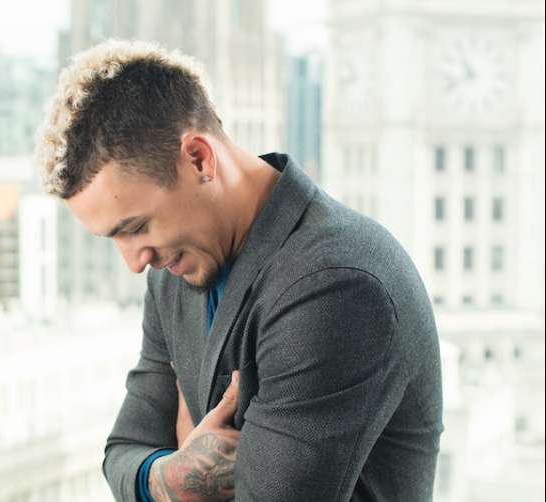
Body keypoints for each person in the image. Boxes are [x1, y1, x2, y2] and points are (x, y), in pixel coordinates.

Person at [36, 40, 443, 502]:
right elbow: (122, 453)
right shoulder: (173, 272)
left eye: (137, 227)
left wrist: (169, 470)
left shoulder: (336, 285)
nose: (134, 261)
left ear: (199, 158)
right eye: (114, 237)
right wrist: (172, 477)